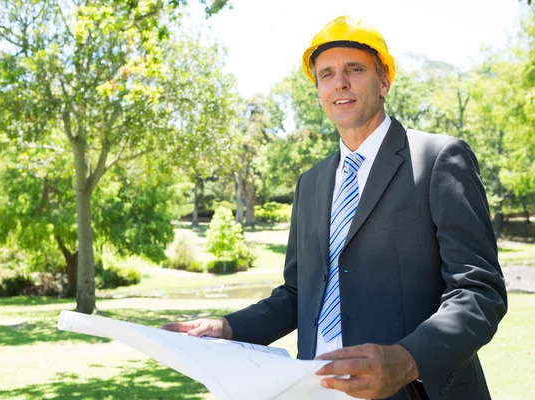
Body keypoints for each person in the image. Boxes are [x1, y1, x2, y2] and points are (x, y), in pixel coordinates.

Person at [162, 16, 507, 400]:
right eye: (326, 74)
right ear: (318, 91)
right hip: (314, 389)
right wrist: (226, 327)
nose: (339, 83)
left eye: (354, 69)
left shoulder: (438, 157)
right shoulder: (310, 183)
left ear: (385, 81)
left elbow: (479, 291)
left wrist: (408, 359)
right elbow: (297, 293)